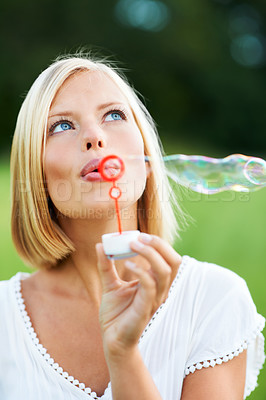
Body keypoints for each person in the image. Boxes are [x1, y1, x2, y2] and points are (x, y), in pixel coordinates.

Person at [0, 53, 265, 400]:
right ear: (35, 174)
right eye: (61, 125)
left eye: (113, 115)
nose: (95, 137)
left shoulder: (213, 299)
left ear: (148, 160)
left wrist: (124, 355)